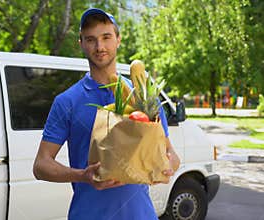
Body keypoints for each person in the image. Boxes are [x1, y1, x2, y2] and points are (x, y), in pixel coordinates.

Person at [33, 8, 180, 220]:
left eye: (106, 37)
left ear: (118, 40)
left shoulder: (143, 96)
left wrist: (166, 168)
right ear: (81, 43)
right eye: (91, 39)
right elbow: (41, 165)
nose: (100, 46)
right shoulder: (67, 102)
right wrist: (82, 176)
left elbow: (171, 155)